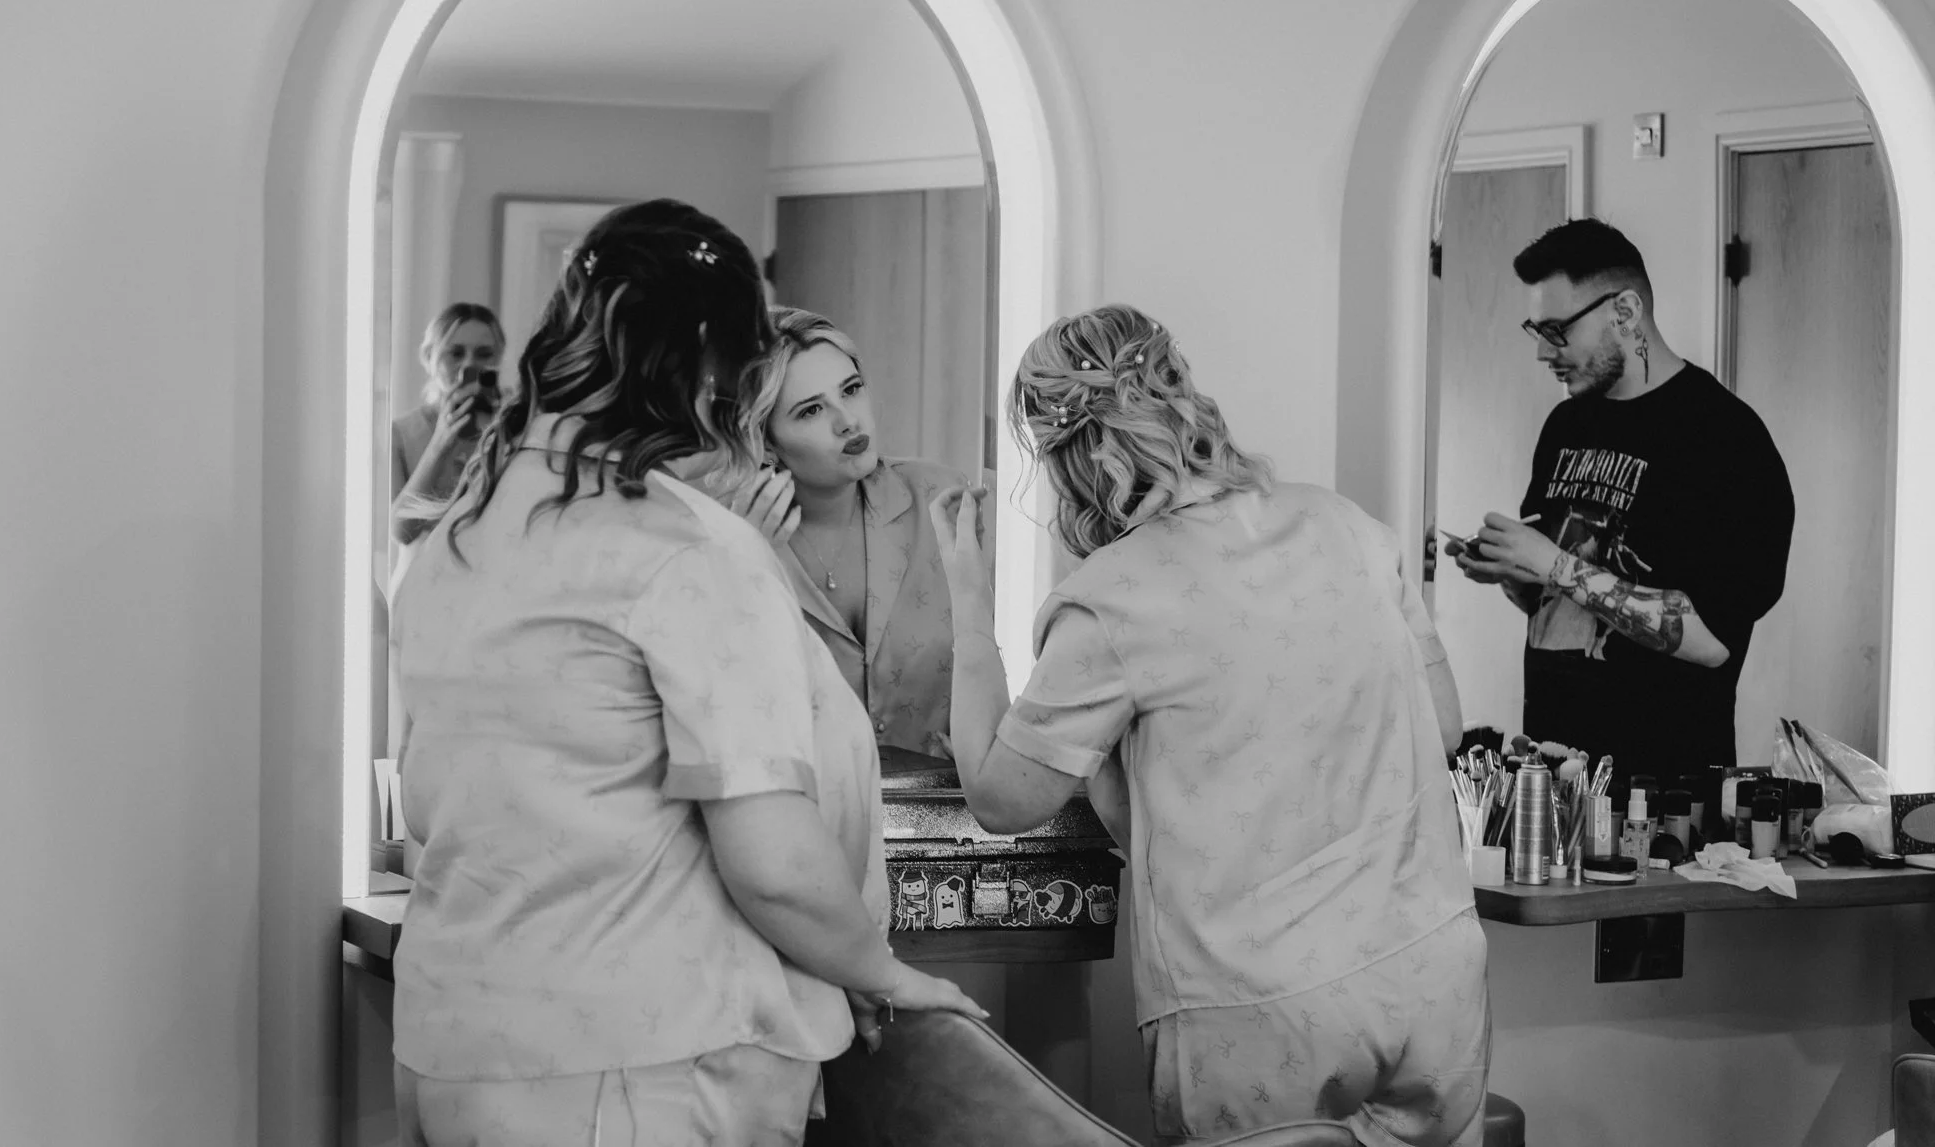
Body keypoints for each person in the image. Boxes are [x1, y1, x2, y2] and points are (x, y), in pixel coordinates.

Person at [387, 200, 984, 1147]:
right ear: (708, 370)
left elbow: (429, 809)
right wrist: (881, 972)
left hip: (454, 1045)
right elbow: (773, 863)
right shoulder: (684, 550)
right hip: (638, 1067)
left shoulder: (455, 538)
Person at [930, 304, 1488, 1147]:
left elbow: (1003, 797)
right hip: (1432, 979)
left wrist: (970, 603)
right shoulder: (1351, 526)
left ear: (1073, 456)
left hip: (1261, 1013)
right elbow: (1443, 727)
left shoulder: (1114, 598)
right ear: (1182, 389)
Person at [1444, 218, 1795, 779]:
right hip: (1551, 773)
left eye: (1557, 330)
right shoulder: (1566, 425)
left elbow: (1712, 639)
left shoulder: (1726, 439)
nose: (1543, 353)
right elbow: (1554, 601)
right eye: (1537, 330)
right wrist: (1512, 572)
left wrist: (1552, 564)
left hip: (1663, 790)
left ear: (1626, 312)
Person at [722, 307, 985, 757]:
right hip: (797, 795)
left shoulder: (942, 499)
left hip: (937, 794)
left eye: (851, 389)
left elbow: (983, 662)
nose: (848, 420)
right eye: (811, 410)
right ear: (765, 442)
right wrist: (742, 570)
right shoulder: (724, 539)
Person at [391, 302, 505, 544]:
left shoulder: (516, 425)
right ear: (428, 357)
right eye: (456, 353)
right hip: (424, 566)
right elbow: (401, 532)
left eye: (484, 354)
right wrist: (439, 445)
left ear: (499, 357)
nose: (469, 364)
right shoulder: (403, 433)